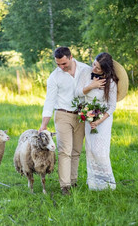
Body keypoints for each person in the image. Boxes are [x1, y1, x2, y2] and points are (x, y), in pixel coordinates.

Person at [38, 46, 105, 195]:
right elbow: (49, 101)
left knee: (76, 151)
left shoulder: (86, 69)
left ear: (70, 57)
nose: (61, 67)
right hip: (63, 114)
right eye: (58, 64)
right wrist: (44, 124)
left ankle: (73, 181)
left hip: (82, 115)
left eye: (64, 64)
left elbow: (95, 87)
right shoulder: (54, 77)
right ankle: (65, 186)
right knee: (64, 151)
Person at [75, 52, 128, 191]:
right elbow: (77, 92)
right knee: (91, 149)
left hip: (103, 120)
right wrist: (91, 85)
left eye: (98, 68)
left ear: (105, 69)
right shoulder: (86, 73)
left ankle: (108, 184)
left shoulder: (110, 82)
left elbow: (112, 106)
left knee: (100, 151)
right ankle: (94, 184)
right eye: (94, 64)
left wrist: (98, 121)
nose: (94, 69)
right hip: (89, 116)